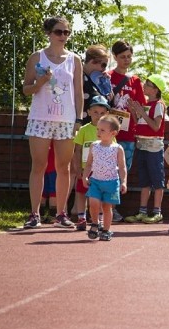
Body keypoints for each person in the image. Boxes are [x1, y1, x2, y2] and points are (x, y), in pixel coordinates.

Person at [22, 16, 84, 229]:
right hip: (40, 118)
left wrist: (78, 118)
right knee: (38, 165)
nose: (63, 36)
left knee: (64, 168)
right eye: (59, 32)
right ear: (49, 33)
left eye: (67, 32)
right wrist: (40, 82)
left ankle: (61, 213)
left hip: (66, 120)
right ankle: (34, 214)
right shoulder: (37, 57)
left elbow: (78, 92)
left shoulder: (74, 59)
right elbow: (26, 89)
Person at [106, 40, 146, 222]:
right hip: (109, 132)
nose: (127, 60)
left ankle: (112, 207)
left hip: (128, 133)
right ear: (115, 57)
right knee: (106, 169)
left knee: (122, 171)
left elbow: (141, 108)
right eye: (123, 57)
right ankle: (105, 208)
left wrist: (135, 108)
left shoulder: (135, 80)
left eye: (129, 56)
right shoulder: (107, 76)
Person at [125, 74, 167, 224]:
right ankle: (142, 211)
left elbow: (155, 126)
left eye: (148, 84)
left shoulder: (159, 105)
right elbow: (140, 123)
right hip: (141, 144)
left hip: (154, 147)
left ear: (156, 89)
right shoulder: (147, 104)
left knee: (157, 179)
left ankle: (157, 212)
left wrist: (142, 112)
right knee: (144, 180)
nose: (145, 86)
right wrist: (134, 112)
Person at [82, 114, 127, 242]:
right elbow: (89, 164)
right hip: (95, 180)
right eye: (98, 129)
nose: (98, 132)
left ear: (113, 133)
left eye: (102, 130)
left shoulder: (117, 149)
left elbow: (122, 167)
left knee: (107, 207)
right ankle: (95, 224)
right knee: (93, 203)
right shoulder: (94, 146)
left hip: (111, 182)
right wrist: (85, 176)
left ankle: (106, 230)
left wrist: (124, 182)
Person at [73, 96, 110, 230]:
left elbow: (113, 149)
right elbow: (77, 149)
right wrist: (77, 168)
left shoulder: (108, 131)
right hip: (85, 169)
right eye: (95, 112)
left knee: (98, 195)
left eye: (102, 113)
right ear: (88, 112)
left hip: (100, 170)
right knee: (82, 193)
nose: (98, 115)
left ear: (106, 114)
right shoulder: (83, 129)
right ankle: (81, 217)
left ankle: (98, 218)